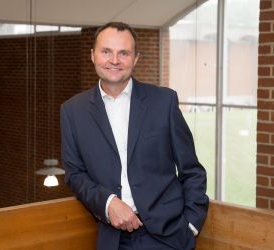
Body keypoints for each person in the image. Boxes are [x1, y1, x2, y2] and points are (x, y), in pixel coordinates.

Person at [60, 22, 209, 250]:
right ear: (93, 55)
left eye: (124, 53)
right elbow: (75, 174)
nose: (115, 60)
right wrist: (108, 203)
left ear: (136, 58)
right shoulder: (72, 111)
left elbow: (192, 171)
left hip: (168, 237)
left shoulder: (164, 102)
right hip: (112, 238)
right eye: (106, 51)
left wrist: (190, 227)